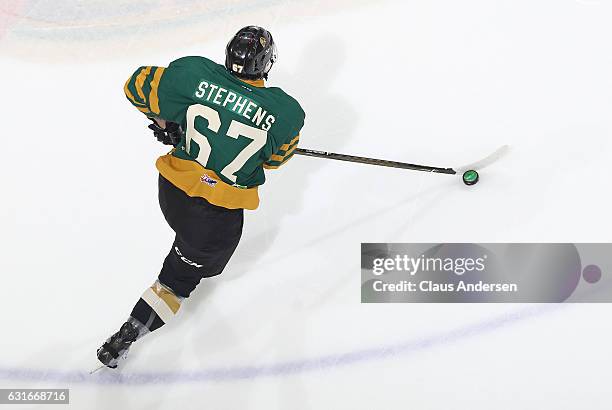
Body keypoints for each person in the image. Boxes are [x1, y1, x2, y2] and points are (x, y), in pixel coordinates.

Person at [96, 26, 305, 369]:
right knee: (177, 280)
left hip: (173, 192)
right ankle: (131, 329)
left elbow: (135, 85)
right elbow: (277, 158)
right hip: (214, 221)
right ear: (267, 63)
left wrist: (168, 122)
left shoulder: (192, 73)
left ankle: (180, 258)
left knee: (186, 242)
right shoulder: (285, 113)